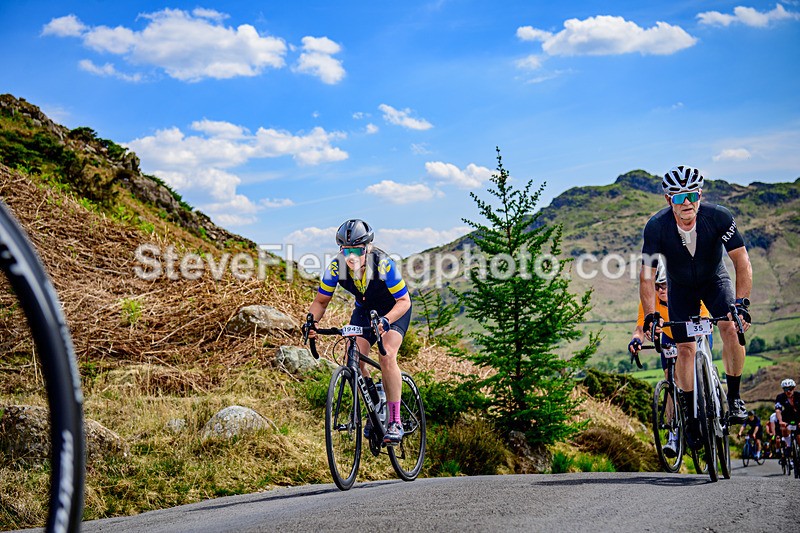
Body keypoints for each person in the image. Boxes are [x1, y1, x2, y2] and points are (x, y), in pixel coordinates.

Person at [639, 165, 753, 450]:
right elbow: (646, 275)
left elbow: (741, 261)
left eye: (691, 195)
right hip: (680, 288)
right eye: (678, 197)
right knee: (685, 350)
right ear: (669, 201)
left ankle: (736, 397)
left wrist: (741, 304)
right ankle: (690, 416)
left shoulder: (719, 217)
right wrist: (652, 315)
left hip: (715, 280)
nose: (686, 202)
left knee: (729, 326)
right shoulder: (656, 227)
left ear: (700, 195)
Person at [304, 219, 412, 445]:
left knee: (387, 355)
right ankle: (375, 403)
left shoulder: (384, 265)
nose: (351, 256)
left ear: (367, 248)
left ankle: (394, 421)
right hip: (365, 311)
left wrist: (386, 320)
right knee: (353, 358)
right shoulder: (336, 267)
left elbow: (404, 301)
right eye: (346, 250)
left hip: (393, 310)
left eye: (357, 250)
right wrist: (311, 322)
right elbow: (321, 302)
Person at [629, 260, 709, 458]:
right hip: (670, 337)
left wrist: (699, 332)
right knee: (670, 378)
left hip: (695, 333)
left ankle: (708, 408)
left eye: (666, 285)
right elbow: (640, 328)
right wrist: (635, 341)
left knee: (696, 366)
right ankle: (673, 434)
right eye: (658, 286)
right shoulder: (649, 301)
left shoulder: (686, 293)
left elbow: (705, 317)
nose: (662, 289)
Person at [775, 378, 799, 464]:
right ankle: (788, 446)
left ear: (794, 388)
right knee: (784, 430)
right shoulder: (780, 397)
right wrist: (781, 421)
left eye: (790, 389)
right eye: (786, 389)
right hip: (786, 417)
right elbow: (778, 410)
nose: (788, 391)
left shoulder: (798, 395)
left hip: (797, 417)